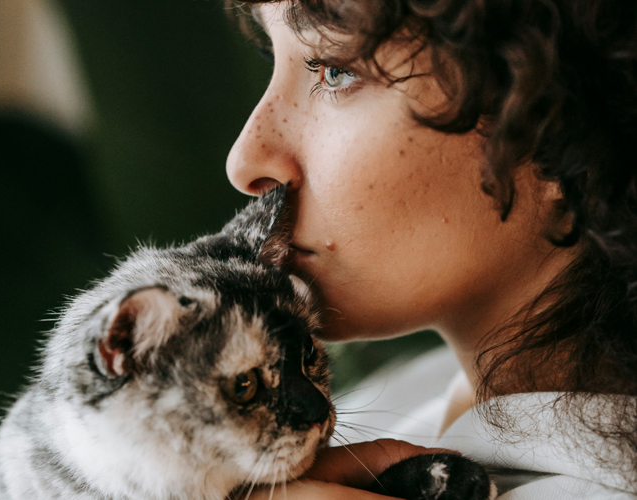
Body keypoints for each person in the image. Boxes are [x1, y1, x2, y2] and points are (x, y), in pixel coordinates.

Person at [224, 0, 637, 498]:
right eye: (275, 61)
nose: (244, 160)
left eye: (335, 71)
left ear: (561, 120)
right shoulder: (410, 401)